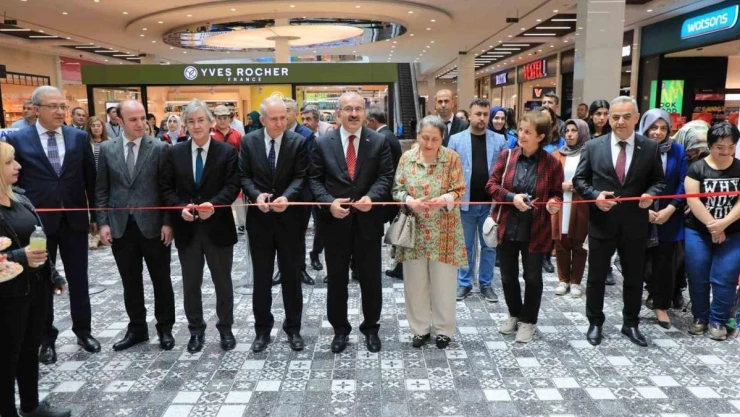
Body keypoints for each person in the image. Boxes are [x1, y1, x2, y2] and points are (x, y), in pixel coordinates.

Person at [7, 86, 100, 365]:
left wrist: (95, 216)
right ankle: (46, 339)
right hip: (36, 226)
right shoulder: (19, 139)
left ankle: (83, 331)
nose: (60, 111)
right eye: (53, 106)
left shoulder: (78, 137)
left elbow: (90, 180)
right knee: (42, 281)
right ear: (37, 109)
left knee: (79, 278)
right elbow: (15, 184)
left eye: (63, 106)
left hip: (74, 221)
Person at [573, 96, 666, 347]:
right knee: (596, 277)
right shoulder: (593, 146)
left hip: (635, 223)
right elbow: (579, 180)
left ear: (636, 118)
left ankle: (631, 323)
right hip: (602, 222)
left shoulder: (650, 147)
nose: (620, 121)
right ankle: (595, 322)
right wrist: (595, 196)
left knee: (634, 277)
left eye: (626, 116)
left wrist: (651, 195)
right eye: (615, 117)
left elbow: (659, 181)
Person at [309, 92, 394, 354]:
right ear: (338, 114)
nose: (354, 114)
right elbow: (314, 180)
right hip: (335, 224)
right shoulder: (323, 143)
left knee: (371, 279)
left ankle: (371, 328)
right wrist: (329, 203)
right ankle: (340, 330)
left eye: (358, 109)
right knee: (336, 280)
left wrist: (372, 197)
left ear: (365, 113)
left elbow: (386, 176)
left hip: (368, 223)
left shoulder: (378, 141)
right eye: (348, 109)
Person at [159, 100, 240, 353]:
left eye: (201, 120)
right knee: (191, 284)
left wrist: (213, 205)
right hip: (187, 230)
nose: (196, 126)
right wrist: (179, 208)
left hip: (218, 228)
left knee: (223, 283)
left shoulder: (226, 152)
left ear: (211, 123)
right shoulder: (174, 153)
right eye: (191, 121)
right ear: (185, 125)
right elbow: (166, 188)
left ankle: (225, 329)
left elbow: (232, 186)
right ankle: (196, 331)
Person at [96, 100, 176, 351]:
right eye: (133, 119)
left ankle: (165, 328)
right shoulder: (106, 149)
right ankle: (137, 329)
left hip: (153, 226)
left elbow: (167, 189)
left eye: (142, 118)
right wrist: (102, 222)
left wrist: (168, 222)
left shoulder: (160, 148)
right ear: (119, 121)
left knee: (161, 280)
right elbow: (102, 189)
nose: (140, 123)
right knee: (130, 282)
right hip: (121, 227)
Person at [0, 142, 72, 417]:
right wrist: (21, 257)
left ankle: (31, 406)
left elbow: (38, 241)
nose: (17, 166)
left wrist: (53, 274)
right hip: (8, 296)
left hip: (35, 290)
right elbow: (19, 252)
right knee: (7, 356)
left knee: (30, 350)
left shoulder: (20, 197)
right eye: (9, 162)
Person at [486, 111, 564, 343]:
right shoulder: (507, 156)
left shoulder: (552, 163)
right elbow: (491, 185)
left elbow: (556, 194)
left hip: (536, 229)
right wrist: (511, 197)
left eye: (527, 132)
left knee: (533, 278)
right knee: (507, 276)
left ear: (540, 137)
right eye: (520, 129)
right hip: (507, 226)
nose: (521, 135)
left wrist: (553, 203)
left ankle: (528, 320)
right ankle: (514, 313)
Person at [239, 97, 308, 353]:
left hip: (289, 220)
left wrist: (287, 197)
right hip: (260, 221)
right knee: (262, 278)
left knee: (291, 277)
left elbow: (301, 176)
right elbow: (244, 175)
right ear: (263, 120)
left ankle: (293, 329)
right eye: (275, 119)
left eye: (283, 118)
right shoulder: (249, 141)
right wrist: (256, 195)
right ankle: (262, 330)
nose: (280, 123)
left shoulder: (298, 142)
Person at [392, 116, 467, 349]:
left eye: (435, 139)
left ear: (442, 138)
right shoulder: (407, 158)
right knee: (415, 284)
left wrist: (444, 199)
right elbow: (397, 189)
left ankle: (444, 330)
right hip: (413, 229)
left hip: (444, 230)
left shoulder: (451, 158)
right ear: (418, 136)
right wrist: (410, 201)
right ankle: (420, 329)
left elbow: (459, 189)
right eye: (425, 138)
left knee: (444, 283)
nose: (429, 143)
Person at [684, 122, 740, 341]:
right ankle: (700, 317)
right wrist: (712, 225)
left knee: (725, 277)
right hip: (698, 231)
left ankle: (718, 320)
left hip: (733, 232)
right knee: (698, 276)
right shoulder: (696, 168)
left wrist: (723, 223)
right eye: (720, 147)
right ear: (709, 145)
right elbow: (693, 200)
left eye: (731, 146)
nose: (726, 151)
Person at [448, 99, 506, 302]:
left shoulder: (499, 140)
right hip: (465, 203)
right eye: (478, 114)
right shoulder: (456, 140)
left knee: (489, 245)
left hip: (490, 205)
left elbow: (504, 171)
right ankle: (464, 283)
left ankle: (486, 283)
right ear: (470, 115)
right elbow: (449, 171)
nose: (482, 118)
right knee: (465, 246)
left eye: (485, 114)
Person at [637, 109, 687, 329]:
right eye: (653, 127)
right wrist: (643, 211)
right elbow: (629, 184)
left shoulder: (677, 150)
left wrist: (671, 208)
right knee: (638, 263)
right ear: (645, 128)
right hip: (639, 214)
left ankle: (661, 306)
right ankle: (633, 306)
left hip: (669, 217)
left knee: (664, 264)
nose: (658, 132)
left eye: (663, 128)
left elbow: (683, 182)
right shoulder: (636, 148)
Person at [271, 98, 316, 287]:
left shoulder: (306, 135)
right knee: (278, 234)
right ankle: (282, 269)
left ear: (295, 113)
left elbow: (309, 167)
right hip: (277, 196)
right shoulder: (273, 134)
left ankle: (300, 268)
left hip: (300, 195)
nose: (284, 115)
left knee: (298, 235)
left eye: (288, 110)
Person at [551, 119, 590, 298]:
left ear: (582, 132)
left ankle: (576, 282)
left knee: (579, 244)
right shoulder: (556, 155)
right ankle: (563, 279)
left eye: (574, 130)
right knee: (561, 242)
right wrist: (561, 186)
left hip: (581, 204)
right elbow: (548, 180)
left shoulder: (589, 154)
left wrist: (580, 186)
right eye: (567, 130)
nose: (569, 134)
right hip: (561, 202)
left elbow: (595, 178)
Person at [365, 107, 404, 280]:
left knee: (395, 231)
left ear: (373, 121)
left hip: (388, 194)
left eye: (366, 122)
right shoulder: (389, 135)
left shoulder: (383, 138)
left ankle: (400, 266)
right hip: (391, 192)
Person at [86, 116, 109, 250]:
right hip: (92, 179)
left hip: (106, 178)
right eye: (93, 125)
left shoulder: (109, 142)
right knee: (94, 206)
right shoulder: (86, 142)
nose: (96, 128)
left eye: (98, 125)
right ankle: (95, 234)